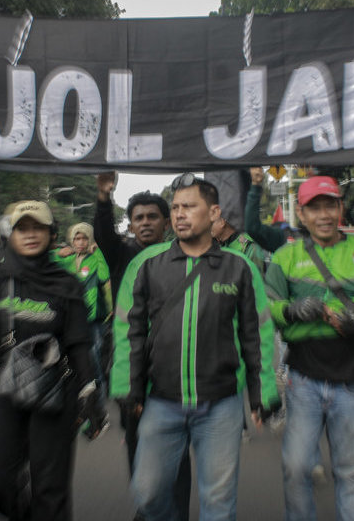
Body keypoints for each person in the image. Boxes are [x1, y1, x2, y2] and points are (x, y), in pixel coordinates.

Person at [111, 174, 280, 521]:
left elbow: (257, 334)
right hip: (161, 401)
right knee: (147, 493)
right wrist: (127, 387)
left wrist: (262, 392)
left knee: (218, 502)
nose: (179, 215)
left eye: (189, 207)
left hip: (220, 405)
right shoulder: (146, 264)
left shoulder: (240, 268)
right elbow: (129, 329)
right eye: (175, 208)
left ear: (214, 212)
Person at [264, 176, 354, 521]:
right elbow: (265, 306)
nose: (324, 215)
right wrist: (292, 310)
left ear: (341, 208)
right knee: (296, 468)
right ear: (301, 214)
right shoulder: (285, 256)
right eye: (314, 208)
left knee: (350, 473)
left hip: (351, 383)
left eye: (331, 205)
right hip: (302, 381)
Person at [0, 200, 107, 521]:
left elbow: (79, 342)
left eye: (38, 228)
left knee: (50, 487)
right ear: (12, 236)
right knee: (0, 483)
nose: (30, 235)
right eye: (22, 229)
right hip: (7, 388)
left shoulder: (67, 283)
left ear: (52, 234)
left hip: (56, 390)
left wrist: (89, 389)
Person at [93, 171, 191, 521]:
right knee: (137, 445)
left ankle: (176, 512)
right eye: (138, 218)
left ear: (167, 222)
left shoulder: (187, 257)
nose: (146, 222)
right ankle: (148, 507)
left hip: (176, 371)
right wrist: (104, 197)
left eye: (152, 216)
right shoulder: (121, 256)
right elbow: (104, 234)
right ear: (131, 225)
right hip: (132, 371)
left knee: (177, 451)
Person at [54, 222, 113, 384]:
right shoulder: (68, 260)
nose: (80, 242)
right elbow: (48, 261)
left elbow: (104, 276)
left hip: (93, 317)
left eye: (84, 238)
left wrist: (98, 252)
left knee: (95, 356)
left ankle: (100, 392)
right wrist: (59, 254)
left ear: (90, 240)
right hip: (73, 316)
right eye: (77, 238)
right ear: (72, 241)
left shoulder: (94, 258)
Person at [245, 166, 289, 252]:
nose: (322, 215)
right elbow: (253, 228)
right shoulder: (283, 238)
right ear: (300, 212)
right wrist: (255, 185)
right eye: (313, 208)